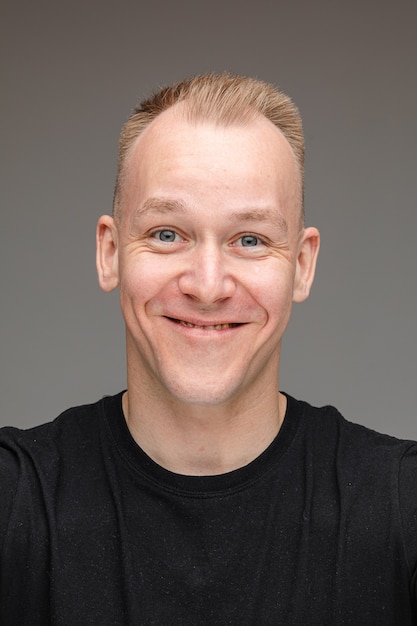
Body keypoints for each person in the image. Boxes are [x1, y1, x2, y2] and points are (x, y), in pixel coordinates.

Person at [0, 73, 416, 625]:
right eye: (168, 233)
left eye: (250, 240)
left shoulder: (402, 507)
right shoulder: (13, 501)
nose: (207, 283)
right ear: (110, 252)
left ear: (302, 264)